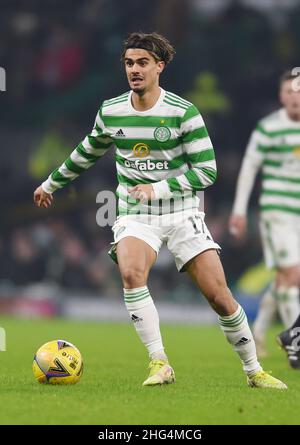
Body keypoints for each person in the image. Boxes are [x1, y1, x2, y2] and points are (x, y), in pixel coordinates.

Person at [34, 32, 286, 389]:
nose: (134, 70)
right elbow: (86, 151)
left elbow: (207, 171)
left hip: (182, 213)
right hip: (136, 213)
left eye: (142, 63)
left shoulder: (184, 112)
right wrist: (51, 184)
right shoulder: (111, 110)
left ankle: (254, 370)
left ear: (159, 66)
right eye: (128, 63)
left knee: (219, 296)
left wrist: (158, 187)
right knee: (132, 273)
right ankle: (159, 362)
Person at [229, 70, 300, 359]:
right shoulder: (268, 128)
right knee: (293, 273)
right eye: (289, 92)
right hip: (276, 213)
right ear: (280, 96)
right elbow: (249, 168)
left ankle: (257, 331)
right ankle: (295, 338)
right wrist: (239, 210)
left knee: (285, 278)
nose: (294, 97)